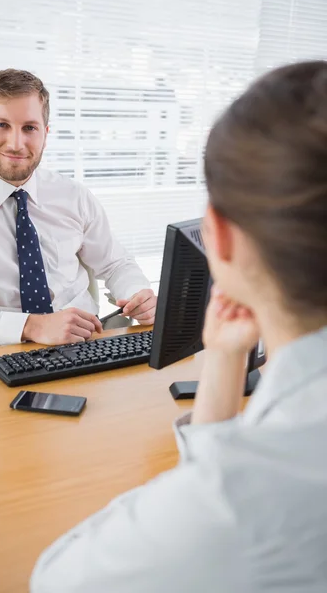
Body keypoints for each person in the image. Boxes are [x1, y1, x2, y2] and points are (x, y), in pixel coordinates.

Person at [30, 60, 327, 592]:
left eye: (29, 126)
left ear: (220, 237)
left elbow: (55, 579)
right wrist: (223, 368)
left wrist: (133, 291)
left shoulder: (242, 497)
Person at [0, 69, 156, 348]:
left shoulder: (73, 196)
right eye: (1, 125)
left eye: (29, 128)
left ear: (45, 134)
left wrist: (138, 293)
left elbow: (116, 263)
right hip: (1, 349)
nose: (15, 143)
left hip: (86, 342)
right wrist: (31, 326)